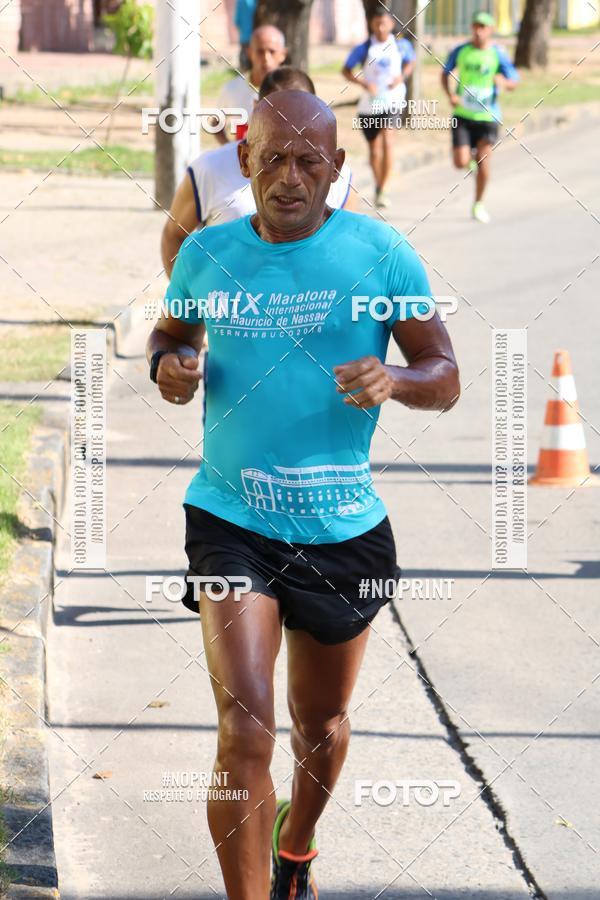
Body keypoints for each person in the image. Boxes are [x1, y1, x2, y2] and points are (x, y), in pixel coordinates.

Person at [147, 90, 459, 900]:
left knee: (318, 725)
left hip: (341, 529)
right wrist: (167, 368)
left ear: (337, 169)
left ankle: (297, 842)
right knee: (243, 730)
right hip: (229, 518)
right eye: (274, 158)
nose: (289, 178)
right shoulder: (206, 254)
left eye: (308, 161)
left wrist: (397, 378)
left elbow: (445, 372)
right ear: (244, 159)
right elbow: (171, 335)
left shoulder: (381, 254)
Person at [161, 67, 356, 277]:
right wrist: (190, 296)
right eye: (278, 114)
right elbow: (174, 237)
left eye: (307, 161)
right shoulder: (209, 169)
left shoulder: (340, 177)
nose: (290, 178)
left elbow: (348, 249)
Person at [442, 11, 519, 223]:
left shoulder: (497, 54)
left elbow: (514, 80)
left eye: (483, 27)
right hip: (463, 115)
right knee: (460, 161)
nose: (478, 31)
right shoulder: (461, 51)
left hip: (488, 117)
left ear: (490, 30)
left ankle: (478, 203)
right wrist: (450, 95)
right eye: (476, 26)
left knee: (485, 162)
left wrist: (504, 82)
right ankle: (470, 165)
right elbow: (444, 72)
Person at [342, 6, 415, 208]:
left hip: (393, 101)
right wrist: (363, 83)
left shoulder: (401, 46)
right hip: (370, 104)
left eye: (384, 23)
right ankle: (378, 184)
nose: (381, 28)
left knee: (388, 143)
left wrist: (402, 76)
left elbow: (411, 62)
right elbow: (346, 70)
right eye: (377, 24)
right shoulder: (364, 48)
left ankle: (383, 188)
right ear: (372, 25)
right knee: (375, 151)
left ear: (391, 24)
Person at [215, 24, 287, 144]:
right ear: (250, 53)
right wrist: (230, 150)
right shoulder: (232, 89)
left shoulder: (292, 92)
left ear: (283, 54)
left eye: (272, 51)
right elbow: (216, 123)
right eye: (260, 51)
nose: (266, 58)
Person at [235, 0, 257, 70]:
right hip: (256, 36)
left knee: (245, 62)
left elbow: (236, 21)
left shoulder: (240, 2)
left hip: (245, 36)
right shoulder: (256, 2)